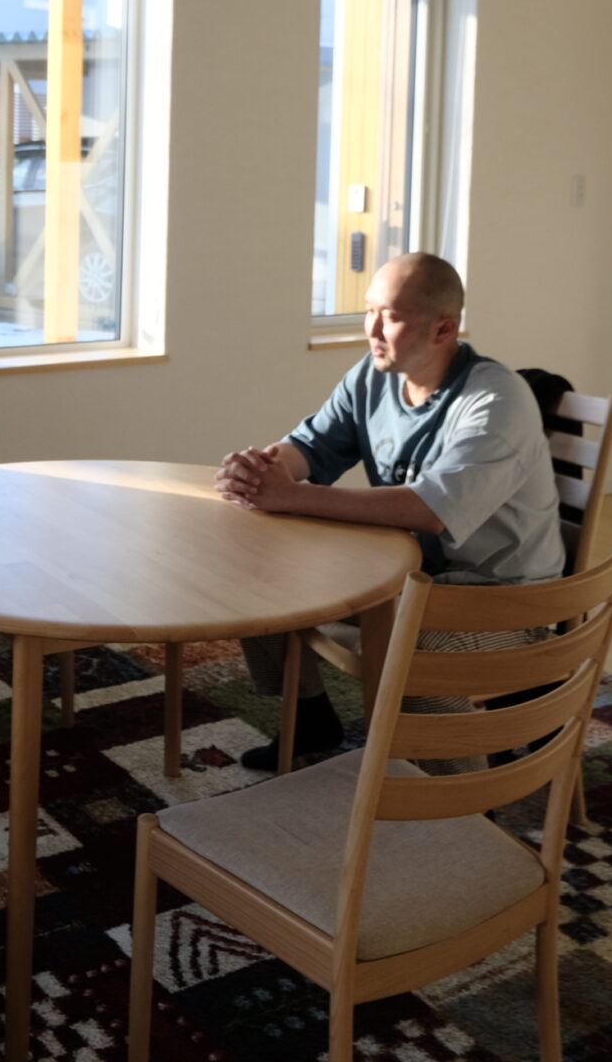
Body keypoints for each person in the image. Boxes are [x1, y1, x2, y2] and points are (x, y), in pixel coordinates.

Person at [215, 252, 562, 771]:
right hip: (408, 576)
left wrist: (286, 495)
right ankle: (309, 718)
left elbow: (429, 509)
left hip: (504, 600)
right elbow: (309, 446)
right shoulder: (373, 376)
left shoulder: (496, 400)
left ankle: (457, 798)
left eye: (392, 317)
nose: (372, 330)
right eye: (369, 311)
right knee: (257, 569)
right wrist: (260, 471)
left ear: (444, 328)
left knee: (410, 651)